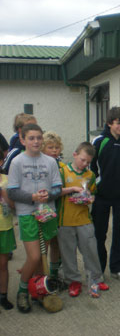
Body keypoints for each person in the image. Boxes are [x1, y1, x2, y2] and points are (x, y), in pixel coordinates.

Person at [7, 123, 62, 313]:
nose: (36, 141)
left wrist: (49, 195)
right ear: (22, 140)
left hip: (47, 213)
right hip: (27, 214)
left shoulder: (50, 161)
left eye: (39, 137)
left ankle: (37, 290)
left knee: (42, 258)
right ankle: (22, 290)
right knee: (34, 256)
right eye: (31, 138)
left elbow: (57, 188)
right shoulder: (17, 162)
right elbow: (12, 192)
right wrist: (32, 197)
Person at [58, 142, 109, 298]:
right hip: (65, 221)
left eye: (88, 162)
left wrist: (88, 199)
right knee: (68, 253)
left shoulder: (90, 175)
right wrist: (72, 190)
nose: (85, 164)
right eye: (82, 160)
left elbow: (92, 193)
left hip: (84, 219)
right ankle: (73, 281)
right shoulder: (62, 171)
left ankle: (95, 278)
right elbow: (55, 191)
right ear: (74, 155)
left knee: (91, 250)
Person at [91, 107, 120, 282]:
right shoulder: (99, 142)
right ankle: (98, 269)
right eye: (118, 123)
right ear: (109, 124)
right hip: (101, 196)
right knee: (99, 234)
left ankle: (118, 268)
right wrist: (91, 190)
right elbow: (90, 169)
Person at [41, 131, 65, 283]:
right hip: (46, 208)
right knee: (46, 242)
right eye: (50, 147)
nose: (54, 150)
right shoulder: (41, 165)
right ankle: (44, 275)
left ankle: (55, 273)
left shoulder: (62, 166)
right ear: (43, 148)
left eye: (57, 147)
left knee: (58, 242)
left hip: (61, 208)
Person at [0, 153, 16, 310]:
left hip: (4, 227)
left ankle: (3, 295)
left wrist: (4, 196)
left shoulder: (6, 181)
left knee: (3, 264)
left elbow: (13, 206)